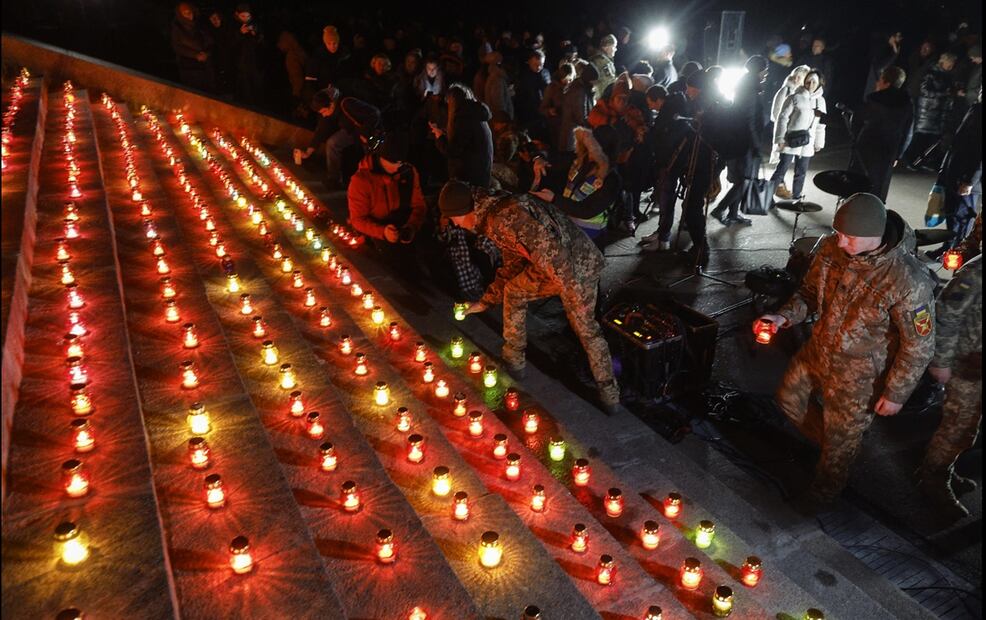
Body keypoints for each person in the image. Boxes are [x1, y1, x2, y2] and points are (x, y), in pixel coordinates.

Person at [758, 193, 937, 510]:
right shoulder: (831, 248)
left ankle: (822, 495)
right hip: (819, 349)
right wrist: (784, 316)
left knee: (840, 445)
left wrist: (896, 392)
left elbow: (919, 344)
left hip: (860, 377)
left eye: (849, 237)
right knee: (789, 399)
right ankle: (838, 444)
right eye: (838, 234)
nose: (840, 243)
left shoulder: (908, 279)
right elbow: (809, 292)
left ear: (875, 236)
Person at [438, 181, 622, 413]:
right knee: (514, 291)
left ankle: (609, 394)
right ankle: (514, 360)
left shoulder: (506, 217)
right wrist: (485, 301)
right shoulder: (493, 215)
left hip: (575, 267)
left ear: (465, 212)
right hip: (562, 265)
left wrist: (573, 299)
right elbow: (513, 265)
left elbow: (554, 255)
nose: (455, 224)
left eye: (453, 219)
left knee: (585, 329)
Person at [916, 255, 981, 521]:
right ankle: (933, 478)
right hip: (967, 368)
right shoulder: (976, 272)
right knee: (958, 428)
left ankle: (945, 468)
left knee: (968, 430)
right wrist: (940, 362)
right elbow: (945, 316)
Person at [531, 125, 621, 244]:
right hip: (566, 228)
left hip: (590, 239)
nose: (590, 152)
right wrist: (539, 158)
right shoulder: (581, 161)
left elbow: (587, 210)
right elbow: (555, 158)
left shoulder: (612, 180)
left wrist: (554, 199)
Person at [709, 55, 770, 227]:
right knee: (745, 180)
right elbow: (749, 120)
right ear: (759, 69)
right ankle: (721, 209)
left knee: (740, 179)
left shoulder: (746, 85)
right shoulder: (750, 89)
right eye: (765, 69)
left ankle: (733, 214)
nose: (766, 73)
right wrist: (756, 144)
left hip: (739, 139)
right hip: (744, 142)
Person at [347, 132, 427, 260]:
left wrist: (411, 226)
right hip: (378, 229)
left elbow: (419, 205)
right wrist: (383, 232)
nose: (397, 167)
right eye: (393, 163)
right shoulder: (361, 181)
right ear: (381, 158)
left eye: (401, 163)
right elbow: (357, 219)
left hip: (405, 223)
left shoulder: (408, 172)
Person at [926, 91, 981, 260]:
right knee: (952, 214)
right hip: (956, 170)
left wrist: (970, 181)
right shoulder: (976, 108)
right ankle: (948, 249)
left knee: (962, 219)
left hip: (968, 178)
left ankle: (958, 258)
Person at [850, 66, 912, 202]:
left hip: (866, 145)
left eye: (880, 80)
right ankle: (874, 214)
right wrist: (898, 154)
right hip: (889, 149)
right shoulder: (907, 103)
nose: (877, 83)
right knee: (879, 185)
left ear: (886, 82)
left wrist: (856, 138)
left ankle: (853, 213)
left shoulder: (873, 99)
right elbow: (908, 132)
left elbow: (857, 121)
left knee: (858, 182)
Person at [770, 70, 827, 201]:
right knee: (781, 170)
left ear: (819, 84)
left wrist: (819, 143)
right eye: (809, 80)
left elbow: (820, 125)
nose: (811, 84)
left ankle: (796, 198)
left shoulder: (820, 101)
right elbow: (782, 118)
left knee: (801, 173)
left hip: (807, 143)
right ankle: (767, 197)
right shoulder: (794, 97)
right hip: (790, 140)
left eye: (814, 81)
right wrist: (780, 138)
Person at [431, 83, 494, 187]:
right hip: (481, 173)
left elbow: (453, 150)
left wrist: (439, 136)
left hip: (469, 177)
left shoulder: (464, 118)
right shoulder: (475, 114)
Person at [906, 53, 957, 169]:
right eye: (950, 63)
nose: (952, 65)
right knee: (921, 137)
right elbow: (924, 91)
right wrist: (944, 94)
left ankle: (923, 161)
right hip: (927, 111)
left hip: (938, 112)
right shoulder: (931, 73)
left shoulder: (947, 75)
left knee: (932, 139)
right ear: (943, 61)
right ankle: (911, 160)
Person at [170, 2, 214, 92]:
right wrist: (195, 55)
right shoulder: (177, 28)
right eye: (185, 13)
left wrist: (207, 53)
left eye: (190, 12)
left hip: (205, 66)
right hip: (189, 68)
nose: (189, 15)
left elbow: (210, 41)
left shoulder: (200, 24)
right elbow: (177, 47)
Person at [304, 26, 353, 102]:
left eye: (334, 43)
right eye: (329, 43)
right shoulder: (317, 58)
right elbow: (310, 81)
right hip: (325, 96)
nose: (332, 46)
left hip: (343, 94)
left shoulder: (344, 55)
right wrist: (317, 98)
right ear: (325, 43)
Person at [559, 64, 598, 152]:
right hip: (573, 133)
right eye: (594, 80)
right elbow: (580, 115)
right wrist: (591, 126)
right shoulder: (579, 91)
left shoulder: (585, 88)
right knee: (571, 157)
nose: (595, 83)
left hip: (576, 131)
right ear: (589, 79)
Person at [230, 3, 264, 104]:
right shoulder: (232, 26)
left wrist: (255, 35)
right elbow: (229, 45)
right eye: (243, 16)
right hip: (240, 65)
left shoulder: (255, 24)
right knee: (245, 90)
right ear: (237, 15)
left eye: (248, 16)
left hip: (255, 63)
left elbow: (262, 44)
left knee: (257, 87)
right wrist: (240, 34)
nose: (245, 19)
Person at [540, 63, 574, 152]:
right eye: (566, 80)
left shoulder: (575, 87)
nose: (568, 82)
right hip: (557, 126)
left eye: (570, 80)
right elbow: (543, 108)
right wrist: (549, 111)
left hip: (571, 127)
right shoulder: (552, 88)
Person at [515, 49, 551, 132]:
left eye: (541, 65)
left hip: (544, 114)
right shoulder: (522, 77)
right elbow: (519, 99)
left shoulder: (546, 73)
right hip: (529, 115)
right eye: (535, 64)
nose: (538, 67)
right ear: (529, 62)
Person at [276, 31, 307, 117]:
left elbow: (297, 76)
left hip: (301, 92)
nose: (279, 45)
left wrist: (296, 94)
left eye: (281, 42)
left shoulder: (292, 56)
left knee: (299, 115)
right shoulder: (301, 50)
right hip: (306, 88)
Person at [865, 31, 903, 96]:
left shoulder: (892, 50)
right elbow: (878, 67)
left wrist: (895, 54)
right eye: (896, 36)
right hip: (873, 75)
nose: (897, 39)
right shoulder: (882, 42)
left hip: (875, 77)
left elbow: (884, 67)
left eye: (899, 38)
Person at [484, 51, 514, 121]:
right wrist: (504, 119)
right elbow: (498, 103)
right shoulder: (497, 79)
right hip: (501, 120)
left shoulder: (496, 77)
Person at [590, 34, 618, 98]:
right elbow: (609, 82)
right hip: (603, 98)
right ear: (606, 47)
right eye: (614, 46)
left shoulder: (605, 60)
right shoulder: (602, 61)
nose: (616, 49)